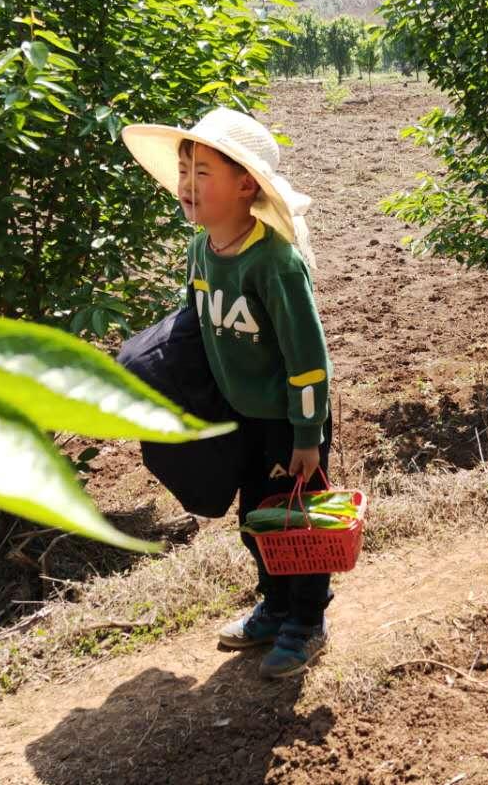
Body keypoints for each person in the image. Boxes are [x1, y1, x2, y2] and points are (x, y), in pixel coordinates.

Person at [122, 107, 333, 680]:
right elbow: (195, 327)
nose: (187, 184)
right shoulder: (200, 252)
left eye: (204, 171)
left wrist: (307, 436)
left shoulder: (275, 264)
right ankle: (274, 603)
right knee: (254, 519)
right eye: (184, 169)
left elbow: (308, 360)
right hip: (240, 414)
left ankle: (307, 619)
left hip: (289, 422)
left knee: (298, 521)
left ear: (246, 185)